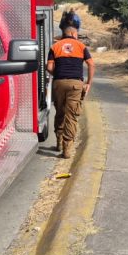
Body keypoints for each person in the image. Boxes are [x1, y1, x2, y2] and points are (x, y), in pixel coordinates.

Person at [47, 23, 95, 158]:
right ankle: (67, 148)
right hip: (75, 84)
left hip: (59, 83)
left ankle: (59, 142)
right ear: (75, 34)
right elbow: (91, 64)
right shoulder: (81, 46)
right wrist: (88, 83)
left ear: (64, 34)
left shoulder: (55, 46)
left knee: (60, 112)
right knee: (71, 115)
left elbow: (49, 67)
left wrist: (59, 73)